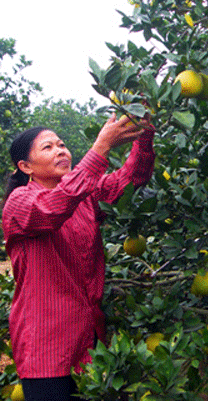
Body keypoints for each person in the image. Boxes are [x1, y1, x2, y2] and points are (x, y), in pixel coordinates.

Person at [1, 114, 156, 401]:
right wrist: (100, 148)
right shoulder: (20, 203)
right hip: (46, 351)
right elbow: (53, 208)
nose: (60, 150)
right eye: (48, 148)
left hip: (90, 346)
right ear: (25, 166)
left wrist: (143, 134)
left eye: (61, 144)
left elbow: (131, 180)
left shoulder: (86, 197)